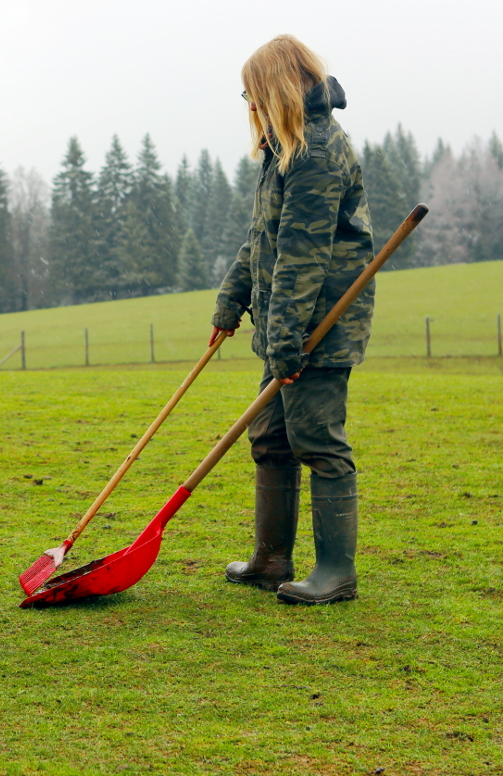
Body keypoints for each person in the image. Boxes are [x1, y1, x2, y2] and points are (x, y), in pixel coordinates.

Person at [210, 35, 375, 605]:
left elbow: (303, 257)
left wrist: (285, 345)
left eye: (251, 93)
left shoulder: (317, 152)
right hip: (288, 326)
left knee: (317, 440)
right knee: (271, 437)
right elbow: (264, 238)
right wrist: (231, 301)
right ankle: (271, 559)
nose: (248, 105)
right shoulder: (285, 147)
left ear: (274, 87)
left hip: (320, 324)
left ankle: (337, 572)